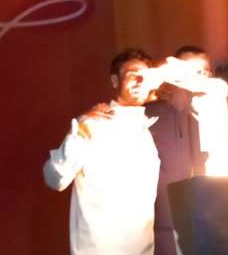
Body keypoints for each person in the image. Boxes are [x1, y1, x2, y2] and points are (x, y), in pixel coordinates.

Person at [42, 48, 161, 255]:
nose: (140, 81)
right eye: (132, 75)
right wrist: (78, 132)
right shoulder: (93, 125)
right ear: (115, 81)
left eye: (145, 76)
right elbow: (55, 178)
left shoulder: (146, 133)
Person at [144, 45, 221, 255]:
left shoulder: (216, 114)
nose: (197, 78)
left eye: (203, 72)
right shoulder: (149, 115)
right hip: (163, 231)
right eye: (189, 71)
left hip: (208, 228)